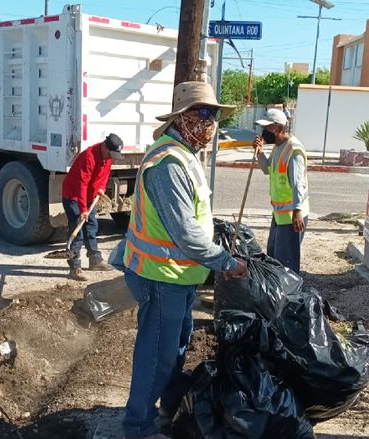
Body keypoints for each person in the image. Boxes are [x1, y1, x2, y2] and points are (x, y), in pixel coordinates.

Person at [122, 81, 249, 439]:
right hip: (161, 277)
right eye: (203, 114)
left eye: (215, 115)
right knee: (156, 358)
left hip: (179, 277)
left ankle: (169, 412)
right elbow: (186, 234)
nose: (210, 123)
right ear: (182, 118)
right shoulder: (167, 163)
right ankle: (139, 428)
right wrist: (226, 262)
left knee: (175, 350)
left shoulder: (185, 155)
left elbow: (194, 219)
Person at [252, 108, 309, 274]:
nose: (264, 132)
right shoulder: (278, 147)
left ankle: (288, 295)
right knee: (274, 256)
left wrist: (298, 212)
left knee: (286, 263)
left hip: (292, 216)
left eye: (267, 128)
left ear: (279, 128)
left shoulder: (294, 150)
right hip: (279, 214)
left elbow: (299, 184)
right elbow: (267, 169)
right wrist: (260, 153)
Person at [62, 133, 124, 281]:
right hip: (74, 196)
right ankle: (74, 267)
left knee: (91, 226)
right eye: (111, 153)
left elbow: (105, 173)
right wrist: (83, 209)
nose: (111, 157)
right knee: (77, 231)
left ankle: (95, 260)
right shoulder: (88, 157)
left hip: (89, 196)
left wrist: (101, 187)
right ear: (104, 146)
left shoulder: (107, 157)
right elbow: (81, 185)